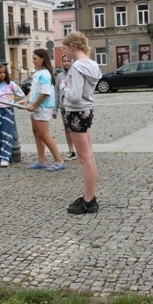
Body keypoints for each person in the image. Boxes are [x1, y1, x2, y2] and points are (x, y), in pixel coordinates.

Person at [59, 32, 102, 214]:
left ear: (73, 47)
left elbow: (75, 96)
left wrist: (63, 86)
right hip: (87, 110)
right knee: (89, 156)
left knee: (84, 158)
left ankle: (89, 200)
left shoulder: (77, 68)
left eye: (64, 47)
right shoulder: (92, 64)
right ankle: (89, 196)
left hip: (76, 112)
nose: (63, 51)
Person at [21, 49, 65, 171]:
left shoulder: (45, 74)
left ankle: (59, 160)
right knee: (37, 133)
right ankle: (41, 160)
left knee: (44, 134)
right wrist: (26, 99)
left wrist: (34, 105)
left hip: (43, 107)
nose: (33, 61)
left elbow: (45, 93)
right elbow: (34, 90)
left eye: (35, 59)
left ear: (42, 59)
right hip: (37, 107)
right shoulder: (38, 73)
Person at [53, 54, 76, 162]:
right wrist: (55, 109)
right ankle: (71, 150)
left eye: (68, 61)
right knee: (67, 129)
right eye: (64, 61)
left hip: (74, 106)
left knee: (76, 129)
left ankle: (81, 150)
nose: (66, 63)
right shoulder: (59, 76)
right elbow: (56, 93)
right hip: (63, 107)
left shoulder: (75, 75)